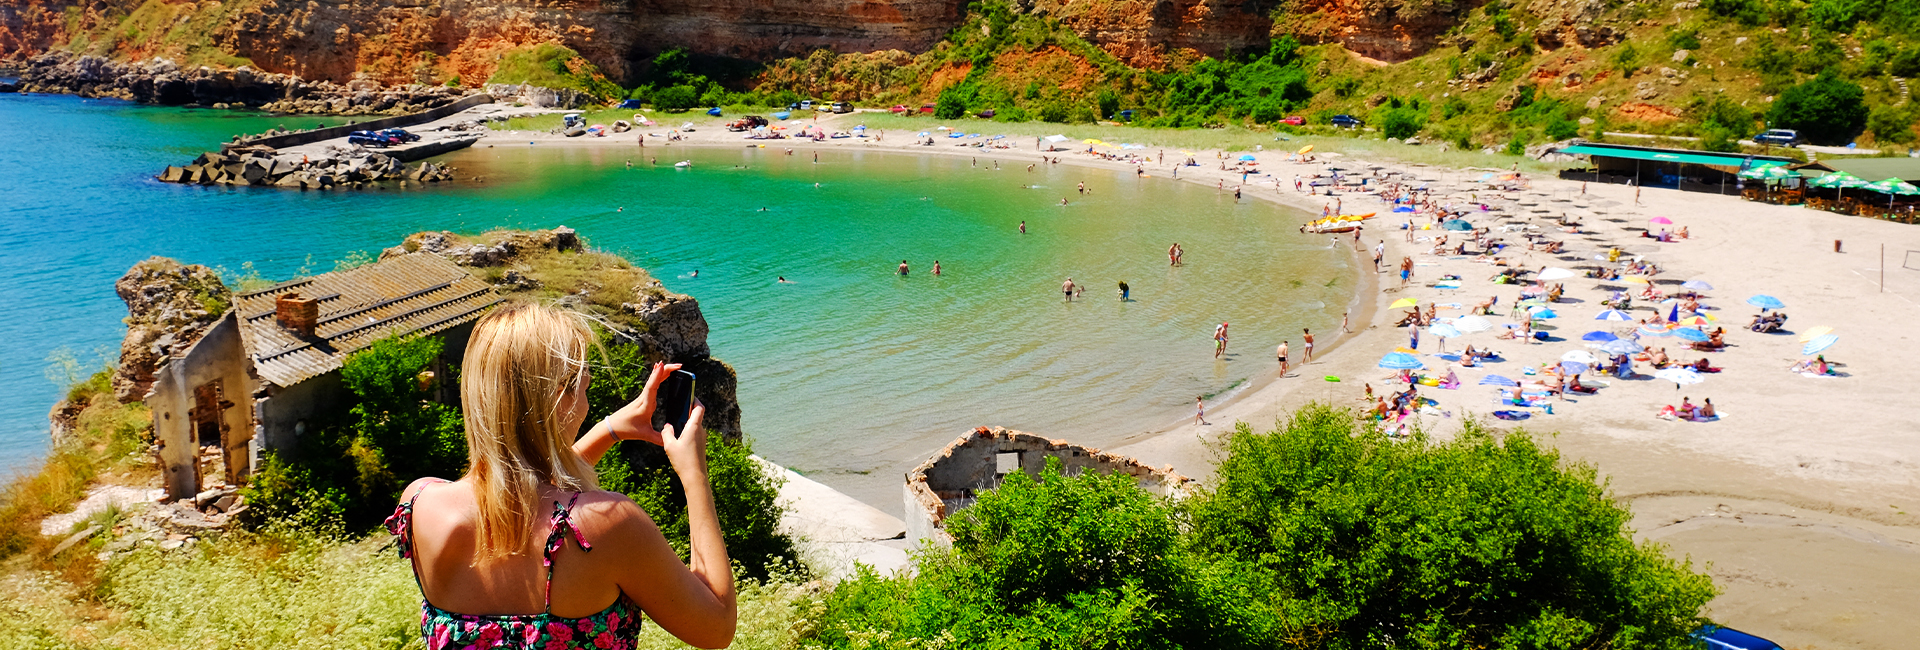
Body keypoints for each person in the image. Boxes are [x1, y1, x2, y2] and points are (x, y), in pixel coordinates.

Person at [384, 303, 738, 650]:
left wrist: (610, 430)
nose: (585, 404)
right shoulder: (606, 527)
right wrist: (694, 476)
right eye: (583, 390)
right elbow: (716, 627)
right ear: (558, 399)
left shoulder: (418, 504)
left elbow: (524, 496)